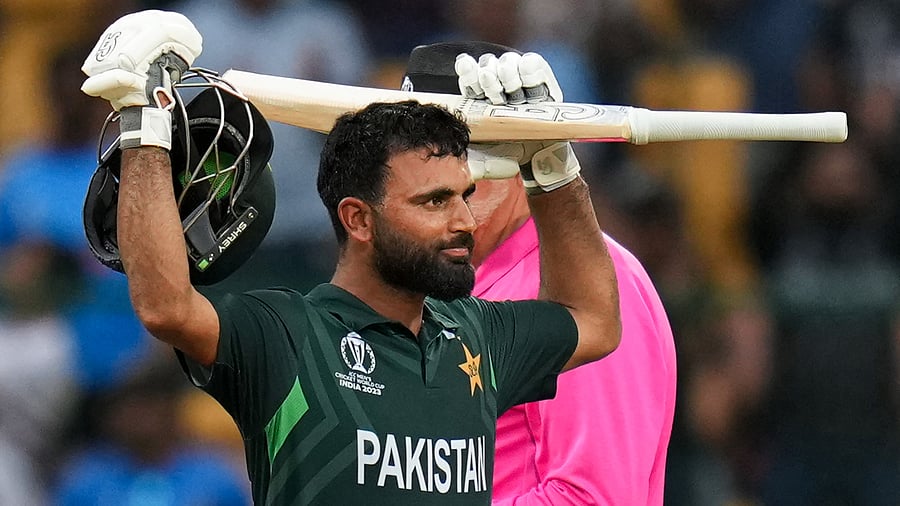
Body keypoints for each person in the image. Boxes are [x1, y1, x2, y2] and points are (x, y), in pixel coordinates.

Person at [78, 10, 621, 506]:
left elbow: (595, 321)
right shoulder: (287, 335)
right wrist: (143, 122)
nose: (464, 221)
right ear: (358, 219)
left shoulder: (477, 335)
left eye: (464, 195)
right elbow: (165, 308)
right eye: (434, 201)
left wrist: (551, 164)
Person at [402, 42, 677, 504]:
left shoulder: (594, 283)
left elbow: (595, 497)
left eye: (453, 151)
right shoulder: (443, 285)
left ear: (512, 153)